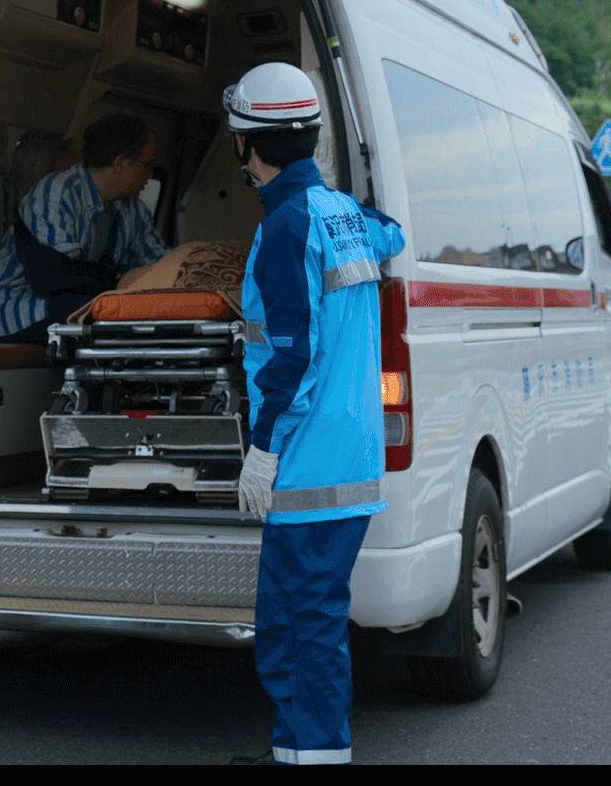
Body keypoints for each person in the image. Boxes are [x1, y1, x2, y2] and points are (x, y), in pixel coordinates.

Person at [223, 61, 405, 766]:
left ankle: (319, 755)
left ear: (246, 142)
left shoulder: (286, 226)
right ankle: (295, 752)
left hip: (308, 468)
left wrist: (262, 451)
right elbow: (391, 233)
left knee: (301, 633)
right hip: (348, 460)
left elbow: (292, 358)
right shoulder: (341, 214)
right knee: (298, 627)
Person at [0, 112, 168, 343]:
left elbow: (159, 263)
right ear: (121, 164)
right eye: (147, 165)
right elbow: (52, 279)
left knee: (131, 316)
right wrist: (120, 280)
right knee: (102, 318)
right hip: (13, 308)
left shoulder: (132, 210)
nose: (150, 175)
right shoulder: (56, 194)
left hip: (69, 304)